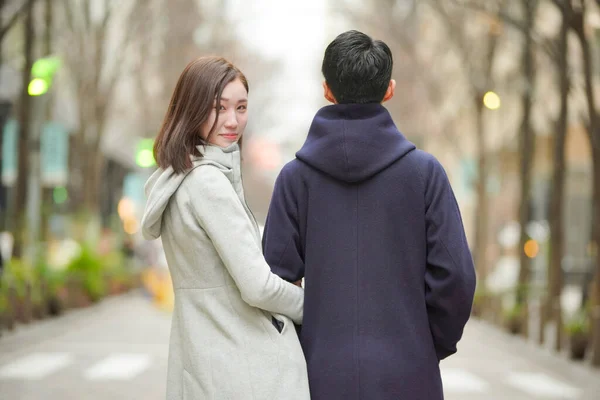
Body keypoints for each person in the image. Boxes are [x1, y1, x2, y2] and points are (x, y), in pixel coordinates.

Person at [262, 30, 477, 400]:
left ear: (327, 90)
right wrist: (425, 346)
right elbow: (456, 279)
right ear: (389, 90)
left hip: (317, 378)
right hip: (410, 377)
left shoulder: (294, 180)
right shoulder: (426, 174)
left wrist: (307, 344)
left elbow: (272, 287)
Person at [141, 56, 310, 400]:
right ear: (193, 108)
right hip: (244, 366)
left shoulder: (179, 178)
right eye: (219, 108)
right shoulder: (208, 184)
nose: (233, 121)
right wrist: (312, 304)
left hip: (205, 362)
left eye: (242, 107)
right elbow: (258, 287)